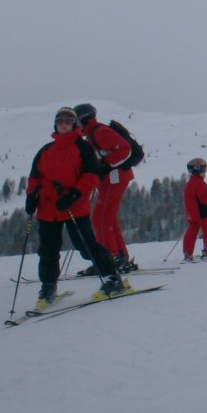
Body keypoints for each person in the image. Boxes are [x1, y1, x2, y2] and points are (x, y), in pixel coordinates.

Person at [24, 107, 126, 306]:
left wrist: (74, 194)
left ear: (74, 125)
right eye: (60, 120)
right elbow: (34, 178)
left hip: (74, 207)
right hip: (47, 209)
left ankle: (112, 278)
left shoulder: (83, 148)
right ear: (56, 124)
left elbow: (91, 176)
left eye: (68, 121)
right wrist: (31, 197)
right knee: (48, 250)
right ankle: (48, 286)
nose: (63, 124)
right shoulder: (45, 150)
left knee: (87, 246)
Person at [73, 103, 137, 274]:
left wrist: (106, 165)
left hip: (115, 178)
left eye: (76, 121)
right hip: (110, 179)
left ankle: (110, 259)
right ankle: (119, 255)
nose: (75, 125)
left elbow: (125, 148)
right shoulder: (92, 134)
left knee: (100, 218)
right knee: (106, 217)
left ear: (83, 119)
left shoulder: (100, 132)